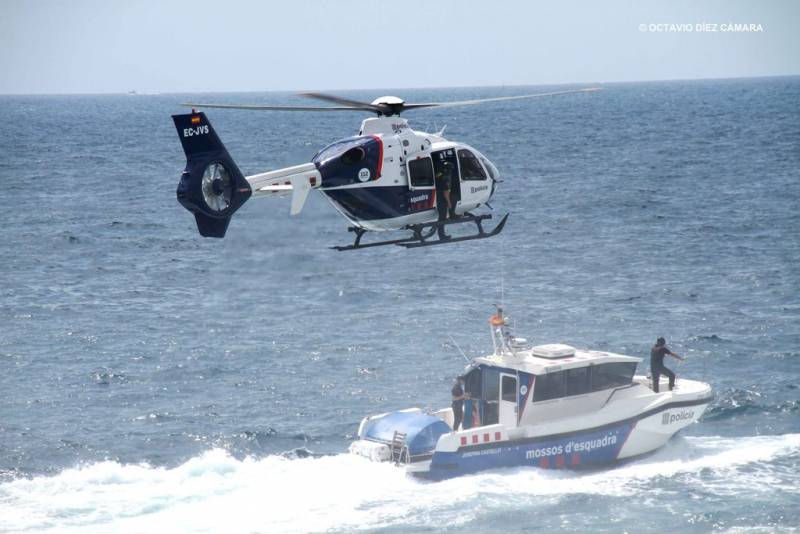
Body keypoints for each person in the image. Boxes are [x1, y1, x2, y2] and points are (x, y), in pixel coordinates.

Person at [434, 161, 453, 239]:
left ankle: (441, 234)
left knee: (441, 218)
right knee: (442, 218)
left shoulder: (440, 174)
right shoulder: (446, 179)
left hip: (438, 199)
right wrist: (449, 203)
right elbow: (445, 193)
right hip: (442, 201)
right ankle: (441, 235)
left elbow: (436, 177)